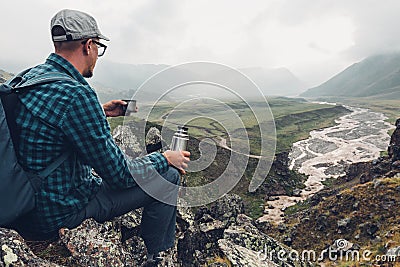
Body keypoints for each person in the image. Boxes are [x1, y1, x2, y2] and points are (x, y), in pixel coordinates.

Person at [11, 9, 190, 264]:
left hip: (24, 203)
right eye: (99, 47)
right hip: (57, 213)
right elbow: (120, 176)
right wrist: (165, 158)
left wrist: (99, 112)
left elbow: (49, 127)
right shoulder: (76, 95)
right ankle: (155, 257)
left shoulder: (31, 77)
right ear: (88, 45)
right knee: (167, 176)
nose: (97, 55)